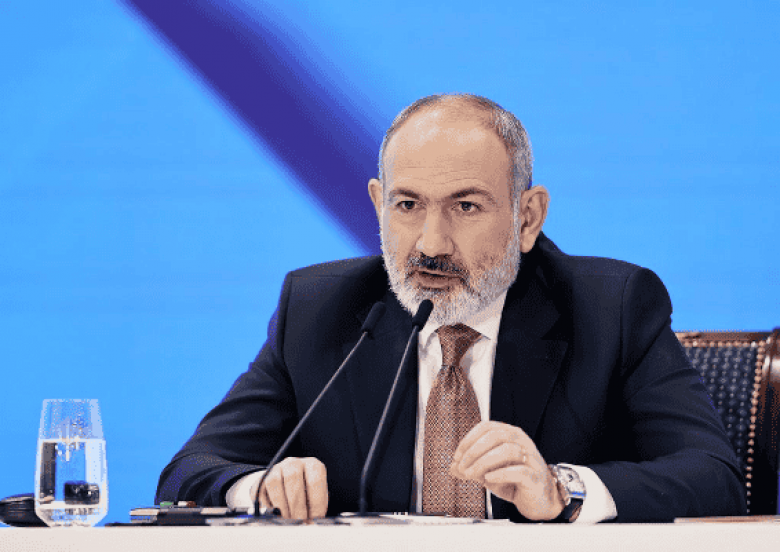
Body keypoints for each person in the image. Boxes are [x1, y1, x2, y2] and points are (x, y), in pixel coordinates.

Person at [156, 94, 746, 523]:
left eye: (465, 207)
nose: (431, 244)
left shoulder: (611, 307)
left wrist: (562, 491)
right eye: (407, 205)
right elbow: (189, 471)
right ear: (378, 204)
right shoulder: (320, 310)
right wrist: (260, 486)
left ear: (528, 217)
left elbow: (715, 477)